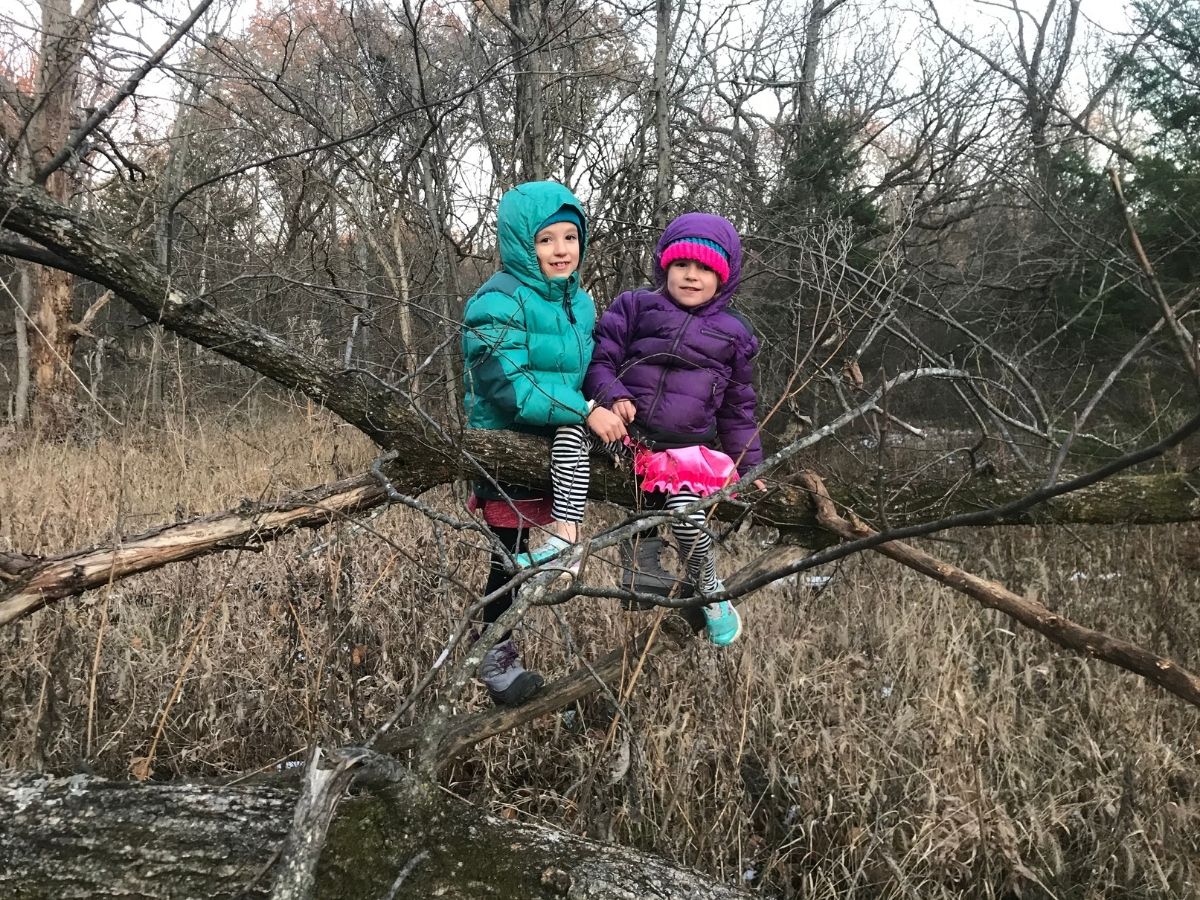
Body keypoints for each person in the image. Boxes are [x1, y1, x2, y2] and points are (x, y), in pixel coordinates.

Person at [551, 211, 764, 646]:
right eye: (682, 265)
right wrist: (611, 395)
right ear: (664, 265)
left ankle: (709, 587)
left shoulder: (733, 334)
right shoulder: (635, 305)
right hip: (624, 434)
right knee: (569, 434)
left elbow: (738, 408)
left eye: (705, 268)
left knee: (687, 517)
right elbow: (600, 359)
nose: (691, 276)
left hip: (682, 451)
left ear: (723, 277)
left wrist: (751, 466)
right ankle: (566, 541)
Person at [461, 180, 626, 706]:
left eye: (570, 238)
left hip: (564, 441)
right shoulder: (497, 301)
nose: (561, 250)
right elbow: (508, 386)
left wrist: (610, 399)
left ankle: (657, 570)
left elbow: (589, 370)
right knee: (508, 559)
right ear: (519, 244)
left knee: (642, 474)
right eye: (546, 240)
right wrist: (584, 410)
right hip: (508, 445)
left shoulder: (580, 302)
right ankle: (494, 656)